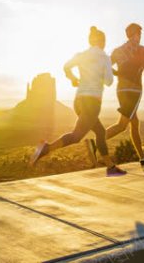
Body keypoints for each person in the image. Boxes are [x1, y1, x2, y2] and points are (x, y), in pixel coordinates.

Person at [30, 26, 127, 176]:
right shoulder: (104, 57)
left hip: (79, 100)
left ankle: (110, 167)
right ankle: (46, 148)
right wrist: (105, 72)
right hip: (92, 102)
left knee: (100, 132)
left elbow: (66, 67)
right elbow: (108, 81)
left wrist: (73, 78)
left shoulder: (81, 55)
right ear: (102, 42)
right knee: (76, 136)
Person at [104, 23, 144, 167]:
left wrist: (119, 73)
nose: (140, 37)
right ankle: (96, 143)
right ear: (137, 34)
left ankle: (142, 157)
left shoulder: (118, 51)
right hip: (134, 91)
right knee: (122, 125)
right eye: (140, 33)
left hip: (120, 90)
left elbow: (106, 66)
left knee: (134, 122)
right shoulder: (142, 50)